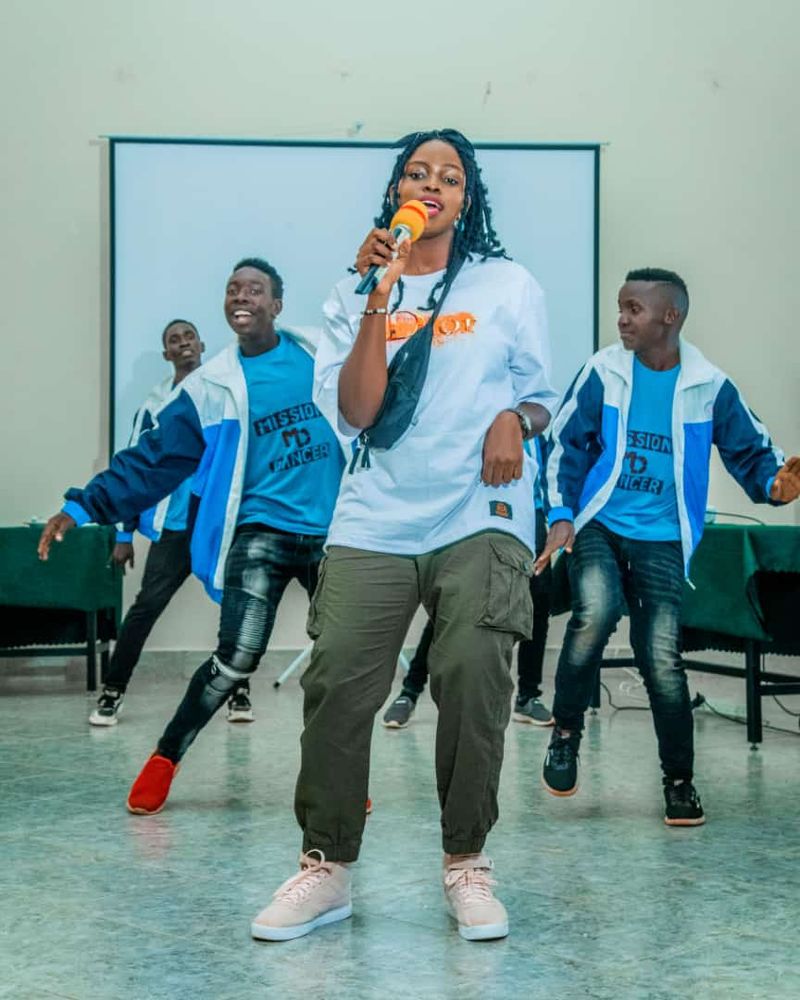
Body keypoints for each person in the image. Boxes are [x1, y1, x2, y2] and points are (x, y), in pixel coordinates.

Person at [249, 129, 558, 944]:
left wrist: (514, 418)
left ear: (467, 198)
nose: (432, 185)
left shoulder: (507, 284)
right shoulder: (352, 292)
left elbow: (542, 396)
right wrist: (377, 296)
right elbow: (357, 412)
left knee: (474, 674)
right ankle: (327, 868)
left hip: (481, 512)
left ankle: (466, 861)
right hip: (375, 518)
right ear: (396, 192)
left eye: (449, 177)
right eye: (418, 173)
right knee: (338, 684)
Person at [39, 257, 346, 814]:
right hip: (260, 533)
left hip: (332, 534)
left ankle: (338, 777)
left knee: (343, 659)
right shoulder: (211, 387)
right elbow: (152, 459)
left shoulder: (321, 353)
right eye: (233, 289)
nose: (241, 296)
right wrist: (83, 505)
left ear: (277, 304)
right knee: (235, 659)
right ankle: (165, 756)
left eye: (254, 289)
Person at [536, 267, 800, 827]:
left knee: (660, 657)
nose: (622, 319)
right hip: (600, 525)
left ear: (670, 316)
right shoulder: (604, 372)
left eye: (634, 309)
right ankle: (565, 735)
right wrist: (560, 516)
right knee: (595, 611)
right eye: (620, 307)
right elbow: (565, 445)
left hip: (662, 539)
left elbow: (753, 453)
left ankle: (679, 782)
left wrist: (775, 485)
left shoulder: (709, 386)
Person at [382, 439, 553, 728]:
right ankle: (409, 691)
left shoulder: (536, 422)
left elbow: (548, 467)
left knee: (539, 599)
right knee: (452, 604)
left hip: (528, 512)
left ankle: (528, 696)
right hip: (478, 511)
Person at [89, 319, 209, 726]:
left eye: (189, 336)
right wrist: (124, 534)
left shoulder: (225, 392)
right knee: (146, 607)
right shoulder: (154, 406)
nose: (183, 343)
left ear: (202, 345)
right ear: (166, 354)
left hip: (218, 524)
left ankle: (238, 693)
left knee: (237, 606)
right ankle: (113, 691)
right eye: (174, 340)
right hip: (174, 527)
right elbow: (134, 470)